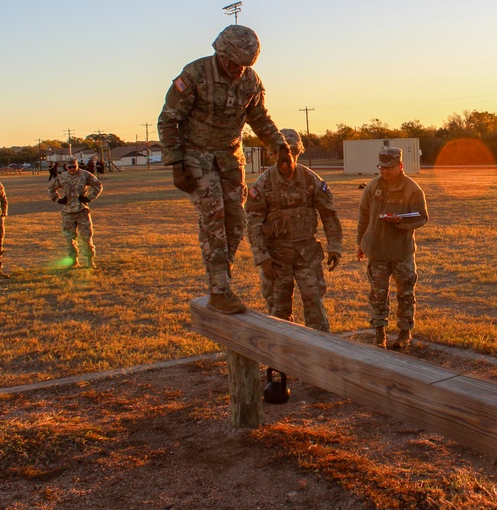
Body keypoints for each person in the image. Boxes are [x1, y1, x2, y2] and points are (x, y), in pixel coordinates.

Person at [157, 25, 290, 315]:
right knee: (214, 218)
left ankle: (222, 282)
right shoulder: (195, 74)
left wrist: (280, 148)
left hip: (230, 158)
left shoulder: (251, 81)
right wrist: (176, 163)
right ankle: (219, 290)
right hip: (196, 156)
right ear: (221, 53)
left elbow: (260, 118)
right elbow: (168, 120)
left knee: (236, 223)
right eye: (235, 64)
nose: (240, 70)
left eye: (245, 66)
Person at [245, 128, 342, 331]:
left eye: (292, 154)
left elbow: (329, 214)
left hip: (307, 254)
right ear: (273, 154)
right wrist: (262, 258)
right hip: (276, 258)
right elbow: (253, 222)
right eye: (279, 155)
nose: (285, 160)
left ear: (298, 153)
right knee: (278, 312)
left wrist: (334, 246)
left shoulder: (311, 180)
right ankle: (279, 360)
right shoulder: (263, 183)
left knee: (314, 304)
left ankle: (319, 355)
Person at [357, 147, 428, 349]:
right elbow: (363, 217)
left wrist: (400, 223)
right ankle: (379, 334)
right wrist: (360, 243)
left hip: (401, 253)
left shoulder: (412, 189)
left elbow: (422, 218)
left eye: (389, 167)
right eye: (381, 167)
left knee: (405, 294)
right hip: (377, 251)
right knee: (378, 294)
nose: (385, 171)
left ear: (400, 166)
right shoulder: (373, 187)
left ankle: (405, 333)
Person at [47, 158, 103, 269]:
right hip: (67, 212)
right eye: (70, 167)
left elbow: (98, 186)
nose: (72, 169)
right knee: (69, 238)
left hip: (82, 210)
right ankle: (73, 261)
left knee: (86, 237)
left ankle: (90, 261)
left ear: (77, 165)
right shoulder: (62, 177)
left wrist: (89, 198)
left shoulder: (85, 175)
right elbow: (51, 189)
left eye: (74, 166)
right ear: (66, 167)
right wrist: (58, 199)